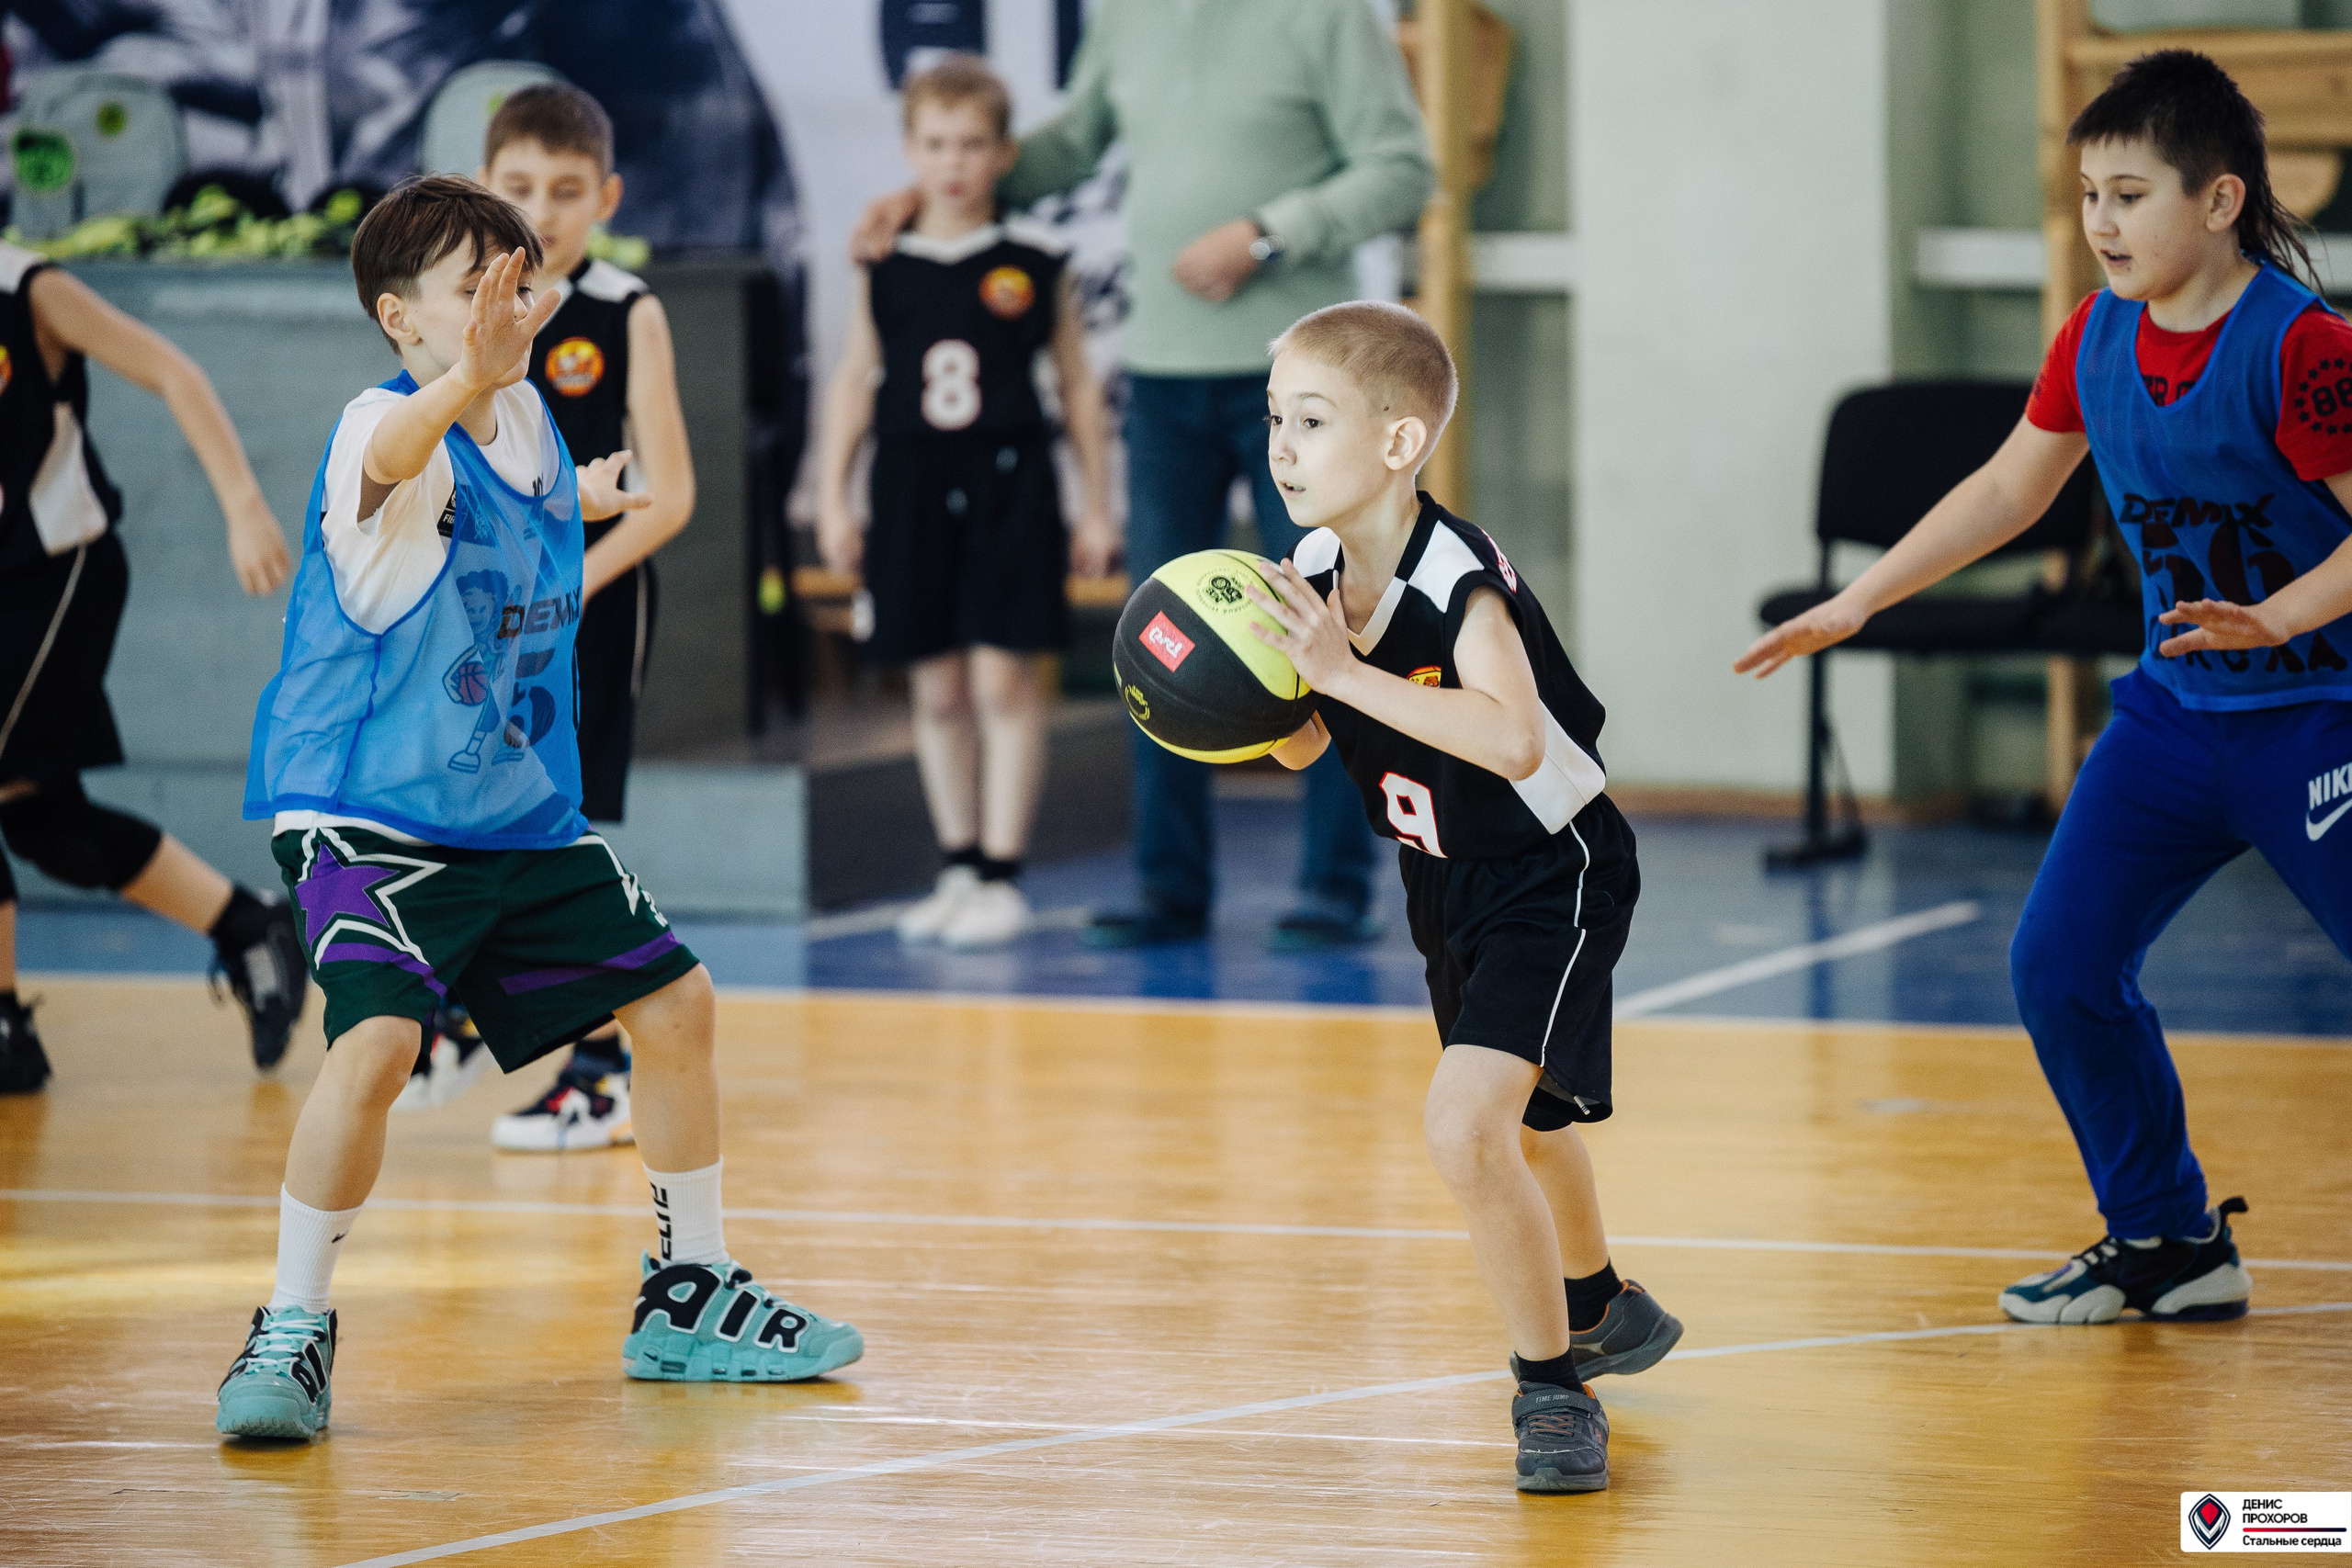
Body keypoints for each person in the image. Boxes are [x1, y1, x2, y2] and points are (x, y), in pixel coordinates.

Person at [217, 177, 860, 1441]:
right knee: (382, 1046)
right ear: (401, 320)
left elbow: (519, 510)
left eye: (517, 279)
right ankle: (292, 1320)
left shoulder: (530, 430)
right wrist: (472, 380)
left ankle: (690, 1290)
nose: (505, 305)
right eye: (475, 289)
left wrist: (591, 492)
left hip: (507, 809)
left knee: (676, 999)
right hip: (366, 810)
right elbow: (403, 466)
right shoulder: (383, 419)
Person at [1736, 51, 2352, 1325]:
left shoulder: (2304, 349)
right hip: (2177, 719)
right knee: (2060, 965)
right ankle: (2169, 1238)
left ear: (2223, 200)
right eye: (2089, 196)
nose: (2102, 224)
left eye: (2131, 195)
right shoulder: (2096, 335)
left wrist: (2279, 615)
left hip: (2321, 712)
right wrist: (1862, 597)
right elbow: (2010, 490)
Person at [852, 0, 1433, 951]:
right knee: (1157, 638)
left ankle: (1335, 884)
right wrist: (924, 200)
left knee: (1330, 631)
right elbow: (1065, 148)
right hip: (1163, 384)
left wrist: (1265, 234)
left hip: (1305, 383)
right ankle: (1169, 887)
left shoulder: (1328, 16)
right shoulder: (1126, 16)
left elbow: (1402, 168)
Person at [1249, 301, 1682, 1493]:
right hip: (1440, 876)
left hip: (1555, 867)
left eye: (1312, 419)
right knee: (1528, 1122)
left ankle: (1553, 1387)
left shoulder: (1459, 576)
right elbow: (1298, 747)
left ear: (1397, 443)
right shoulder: (1316, 572)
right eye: (1275, 418)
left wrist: (1338, 669)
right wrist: (1249, 696)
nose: (1282, 445)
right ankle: (1600, 1304)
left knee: (1465, 1125)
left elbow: (1506, 738)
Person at [401, 81, 696, 1151]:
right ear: (485, 191)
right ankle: (473, 1012)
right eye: (522, 187)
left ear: (605, 196)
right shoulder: (456, 308)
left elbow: (672, 494)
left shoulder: (626, 311)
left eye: (569, 190)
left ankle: (603, 1067)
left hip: (592, 602)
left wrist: (569, 581)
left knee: (565, 824)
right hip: (480, 610)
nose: (547, 208)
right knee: (470, 806)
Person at [818, 55, 1114, 949]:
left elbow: (1074, 383)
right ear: (911, 149)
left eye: (972, 144)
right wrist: (833, 498)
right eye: (937, 144)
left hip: (1010, 479)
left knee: (1003, 677)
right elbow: (855, 379)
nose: (953, 162)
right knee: (938, 684)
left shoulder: (1033, 262)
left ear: (1001, 153)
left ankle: (1001, 870)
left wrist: (1096, 506)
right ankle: (956, 861)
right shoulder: (883, 261)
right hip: (909, 481)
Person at [0, 239, 309, 1092]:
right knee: (43, 821)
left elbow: (176, 373)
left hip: (54, 572)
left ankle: (4, 1028)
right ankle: (249, 925)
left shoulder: (31, 290)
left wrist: (244, 506)